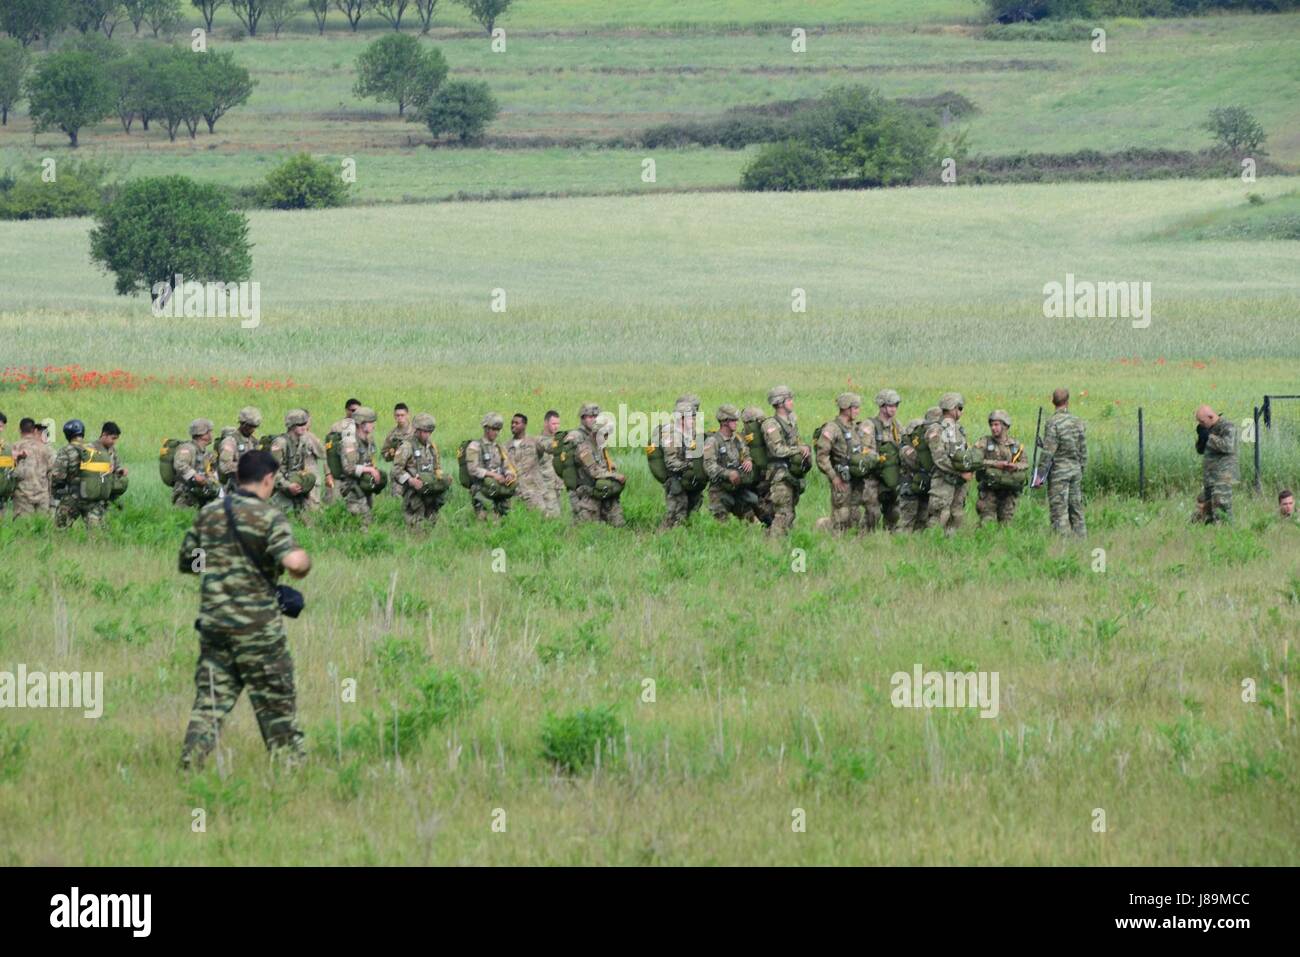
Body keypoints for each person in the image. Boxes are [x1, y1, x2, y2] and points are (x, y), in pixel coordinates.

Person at [178, 450, 311, 770]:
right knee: (275, 700)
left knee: (211, 701)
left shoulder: (209, 513)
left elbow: (189, 562)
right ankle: (291, 767)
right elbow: (293, 564)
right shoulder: (269, 517)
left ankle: (190, 763)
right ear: (268, 479)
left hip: (215, 625)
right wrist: (302, 560)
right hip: (258, 630)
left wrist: (223, 565)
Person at [815, 392, 874, 533]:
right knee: (841, 514)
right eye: (855, 408)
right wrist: (833, 476)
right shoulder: (832, 428)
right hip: (841, 477)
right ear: (846, 408)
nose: (858, 411)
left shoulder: (854, 427)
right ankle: (827, 531)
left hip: (856, 477)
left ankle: (852, 543)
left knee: (854, 514)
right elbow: (822, 456)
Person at [54, 421, 127, 529]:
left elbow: (116, 466)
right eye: (113, 438)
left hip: (97, 495)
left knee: (66, 525)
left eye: (116, 439)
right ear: (104, 434)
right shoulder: (89, 448)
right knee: (64, 525)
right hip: (81, 492)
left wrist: (119, 471)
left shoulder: (112, 451)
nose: (114, 442)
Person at [761, 385, 811, 536]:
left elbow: (795, 441)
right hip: (779, 476)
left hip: (791, 474)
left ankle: (772, 543)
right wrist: (799, 450)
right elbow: (777, 450)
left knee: (789, 515)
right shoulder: (771, 424)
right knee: (782, 515)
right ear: (780, 402)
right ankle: (773, 549)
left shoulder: (791, 421)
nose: (792, 402)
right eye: (789, 399)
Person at [566, 403, 626, 526]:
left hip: (602, 489)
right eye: (589, 416)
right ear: (582, 418)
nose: (593, 419)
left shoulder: (599, 444)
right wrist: (615, 476)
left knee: (617, 524)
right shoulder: (580, 441)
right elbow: (593, 470)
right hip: (587, 492)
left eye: (596, 416)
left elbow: (603, 463)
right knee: (586, 529)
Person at [1038, 388, 1087, 536]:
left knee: (1059, 510)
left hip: (1059, 472)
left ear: (1053, 401)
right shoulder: (1078, 422)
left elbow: (1048, 452)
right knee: (1076, 508)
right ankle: (1081, 540)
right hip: (1075, 470)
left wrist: (1039, 476)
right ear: (1068, 401)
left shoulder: (1053, 423)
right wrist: (1081, 469)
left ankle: (1063, 544)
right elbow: (1083, 450)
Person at [392, 413, 449, 528]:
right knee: (416, 526)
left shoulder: (432, 447)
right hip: (414, 493)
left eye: (430, 432)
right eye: (424, 431)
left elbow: (437, 467)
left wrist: (442, 478)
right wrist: (411, 480)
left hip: (430, 493)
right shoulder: (407, 446)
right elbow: (396, 471)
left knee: (432, 524)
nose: (427, 435)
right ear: (416, 430)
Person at [974, 410, 1029, 525]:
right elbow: (975, 461)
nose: (993, 428)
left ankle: (1002, 543)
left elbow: (1025, 463)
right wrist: (995, 464)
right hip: (988, 490)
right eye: (991, 425)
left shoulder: (1015, 445)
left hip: (1008, 490)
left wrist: (1015, 466)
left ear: (1005, 426)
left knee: (1006, 523)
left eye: (997, 425)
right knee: (986, 522)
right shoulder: (984, 442)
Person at [658, 399, 705, 528]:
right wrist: (690, 466)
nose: (694, 420)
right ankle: (662, 538)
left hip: (689, 479)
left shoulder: (691, 434)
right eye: (691, 418)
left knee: (692, 513)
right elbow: (671, 463)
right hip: (676, 480)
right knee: (675, 515)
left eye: (694, 417)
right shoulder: (671, 435)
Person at [465, 413, 517, 521]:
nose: (496, 432)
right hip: (483, 492)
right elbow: (473, 469)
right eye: (494, 429)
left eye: (498, 429)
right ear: (486, 429)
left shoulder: (499, 447)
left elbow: (507, 465)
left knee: (505, 521)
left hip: (500, 491)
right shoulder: (475, 446)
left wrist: (508, 474)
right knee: (486, 523)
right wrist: (493, 475)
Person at [337, 406, 383, 526]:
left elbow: (370, 460)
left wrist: (374, 471)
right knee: (361, 520)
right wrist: (369, 470)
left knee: (368, 517)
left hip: (364, 485)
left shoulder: (369, 441)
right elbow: (348, 468)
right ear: (361, 424)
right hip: (352, 488)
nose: (373, 426)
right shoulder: (350, 442)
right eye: (371, 423)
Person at [508, 413, 560, 518]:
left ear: (524, 425)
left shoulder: (534, 441)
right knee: (515, 522)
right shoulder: (506, 446)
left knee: (541, 521)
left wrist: (561, 443)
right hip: (514, 493)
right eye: (512, 423)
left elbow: (549, 447)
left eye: (516, 423)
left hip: (534, 493)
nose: (513, 425)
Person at [1194, 405, 1238, 524]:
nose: (1201, 424)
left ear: (1211, 416)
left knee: (1221, 507)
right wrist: (1201, 438)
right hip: (1210, 477)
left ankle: (1225, 534)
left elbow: (1228, 446)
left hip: (1223, 475)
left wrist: (1209, 437)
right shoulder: (1209, 428)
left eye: (1202, 422)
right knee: (1203, 507)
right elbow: (1200, 450)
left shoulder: (1227, 426)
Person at [866, 389, 902, 532]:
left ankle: (890, 540)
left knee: (894, 512)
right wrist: (879, 459)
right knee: (872, 514)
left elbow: (902, 444)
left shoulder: (896, 426)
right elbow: (864, 449)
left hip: (891, 475)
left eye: (896, 405)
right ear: (881, 406)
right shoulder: (870, 425)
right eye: (890, 405)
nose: (893, 409)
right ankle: (865, 539)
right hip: (873, 476)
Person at [269, 409, 314, 516]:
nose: (303, 427)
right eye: (300, 424)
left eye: (304, 423)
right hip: (281, 490)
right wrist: (287, 486)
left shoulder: (303, 441)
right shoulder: (280, 443)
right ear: (291, 426)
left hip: (297, 490)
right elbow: (272, 471)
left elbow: (301, 467)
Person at [9, 417, 54, 517]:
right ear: (34, 430)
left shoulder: (14, 447)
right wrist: (51, 497)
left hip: (22, 495)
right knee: (41, 528)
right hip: (43, 495)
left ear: (20, 430)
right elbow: (51, 473)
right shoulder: (45, 448)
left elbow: (8, 473)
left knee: (22, 529)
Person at [172, 418, 218, 510]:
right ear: (202, 434)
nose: (211, 434)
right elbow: (179, 464)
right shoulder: (188, 448)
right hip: (185, 497)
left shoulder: (205, 453)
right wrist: (195, 476)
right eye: (209, 431)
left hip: (201, 495)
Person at [217, 407, 261, 492]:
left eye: (254, 427)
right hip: (232, 486)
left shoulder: (253, 441)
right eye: (250, 426)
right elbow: (224, 466)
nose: (252, 430)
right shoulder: (230, 441)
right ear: (242, 424)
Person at [381, 403, 413, 497]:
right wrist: (391, 453)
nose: (400, 418)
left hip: (414, 470)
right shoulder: (392, 434)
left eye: (402, 415)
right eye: (397, 415)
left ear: (408, 415)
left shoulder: (415, 432)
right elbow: (385, 455)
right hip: (398, 471)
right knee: (397, 498)